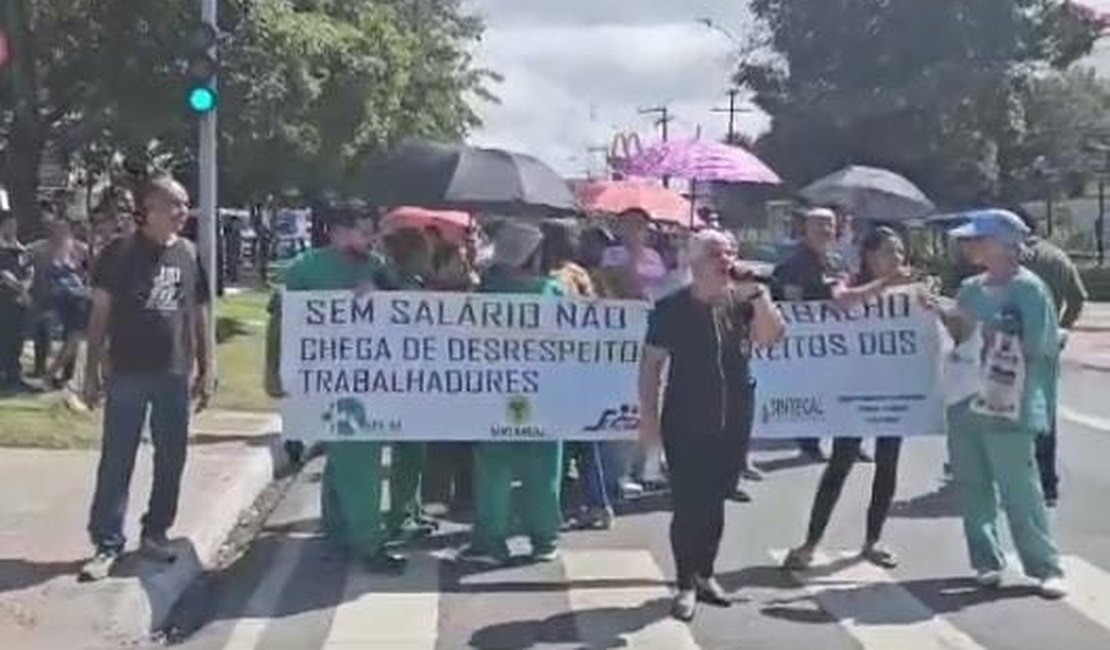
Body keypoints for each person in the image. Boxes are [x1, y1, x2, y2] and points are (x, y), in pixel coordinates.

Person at [640, 229, 784, 622]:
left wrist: (759, 296)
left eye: (731, 252)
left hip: (734, 417)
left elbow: (771, 339)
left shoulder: (740, 303)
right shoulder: (671, 308)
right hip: (686, 419)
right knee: (689, 506)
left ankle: (706, 574)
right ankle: (685, 583)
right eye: (718, 253)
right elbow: (651, 368)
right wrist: (649, 424)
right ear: (695, 262)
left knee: (716, 501)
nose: (727, 260)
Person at [924, 209, 1066, 599]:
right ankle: (986, 560)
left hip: (1009, 403)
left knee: (1020, 488)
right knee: (971, 484)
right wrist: (940, 313)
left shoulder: (1030, 289)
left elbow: (1041, 346)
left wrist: (995, 337)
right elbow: (957, 334)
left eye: (977, 240)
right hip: (964, 400)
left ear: (1004, 245)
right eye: (968, 240)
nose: (969, 246)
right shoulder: (970, 288)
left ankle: (1044, 565)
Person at [79, 175, 214, 581]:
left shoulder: (189, 253)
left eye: (185, 204)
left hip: (174, 373)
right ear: (148, 210)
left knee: (171, 457)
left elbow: (200, 315)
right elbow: (99, 315)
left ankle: (156, 532)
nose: (181, 213)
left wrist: (208, 368)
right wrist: (89, 372)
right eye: (173, 205)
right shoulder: (118, 254)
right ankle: (107, 543)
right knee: (117, 458)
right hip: (127, 372)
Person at [264, 208, 407, 573]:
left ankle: (338, 531)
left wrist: (380, 289)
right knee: (359, 462)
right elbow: (282, 322)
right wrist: (275, 374)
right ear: (338, 232)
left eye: (372, 233)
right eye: (362, 232)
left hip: (369, 379)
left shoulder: (376, 265)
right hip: (325, 382)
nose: (369, 240)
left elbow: (408, 301)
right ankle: (369, 544)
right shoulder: (304, 269)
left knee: (345, 459)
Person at [782, 227, 916, 571]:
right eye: (889, 251)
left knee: (888, 465)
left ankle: (873, 541)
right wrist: (884, 285)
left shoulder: (909, 291)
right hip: (855, 388)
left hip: (893, 389)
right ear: (870, 255)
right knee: (840, 464)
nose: (897, 259)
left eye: (900, 252)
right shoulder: (849, 278)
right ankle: (810, 543)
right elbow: (841, 301)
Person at [459, 221, 565, 566]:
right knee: (544, 466)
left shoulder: (485, 293)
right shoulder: (554, 292)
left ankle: (491, 540)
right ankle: (544, 539)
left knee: (494, 467)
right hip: (546, 393)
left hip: (495, 392)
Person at [541, 219, 614, 531]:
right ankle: (596, 505)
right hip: (576, 368)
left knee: (563, 443)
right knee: (582, 443)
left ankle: (555, 507)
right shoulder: (577, 275)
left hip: (560, 370)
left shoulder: (552, 278)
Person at [1011, 207, 1086, 507]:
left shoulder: (1012, 258)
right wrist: (1062, 329)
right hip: (1047, 344)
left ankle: (1016, 480)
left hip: (1011, 343)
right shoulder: (1058, 257)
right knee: (1045, 413)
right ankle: (1047, 484)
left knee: (1007, 411)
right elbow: (1078, 297)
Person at [772, 207, 851, 463]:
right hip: (808, 341)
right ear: (805, 229)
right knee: (811, 389)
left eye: (829, 224)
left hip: (835, 339)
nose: (825, 230)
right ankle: (809, 443)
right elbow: (793, 302)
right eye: (818, 225)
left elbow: (845, 290)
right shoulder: (795, 263)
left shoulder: (836, 260)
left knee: (838, 389)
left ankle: (846, 441)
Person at [376, 226, 438, 542]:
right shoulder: (396, 286)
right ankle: (402, 514)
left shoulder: (408, 283)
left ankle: (411, 507)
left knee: (415, 450)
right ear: (412, 256)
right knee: (408, 449)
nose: (429, 258)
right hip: (403, 380)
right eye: (424, 252)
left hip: (416, 379)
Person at [0, 210, 33, 391]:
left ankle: (14, 376)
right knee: (3, 337)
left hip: (19, 301)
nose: (12, 228)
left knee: (17, 338)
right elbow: (4, 275)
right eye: (8, 225)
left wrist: (25, 289)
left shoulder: (21, 248)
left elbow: (29, 270)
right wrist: (22, 290)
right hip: (3, 299)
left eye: (14, 225)